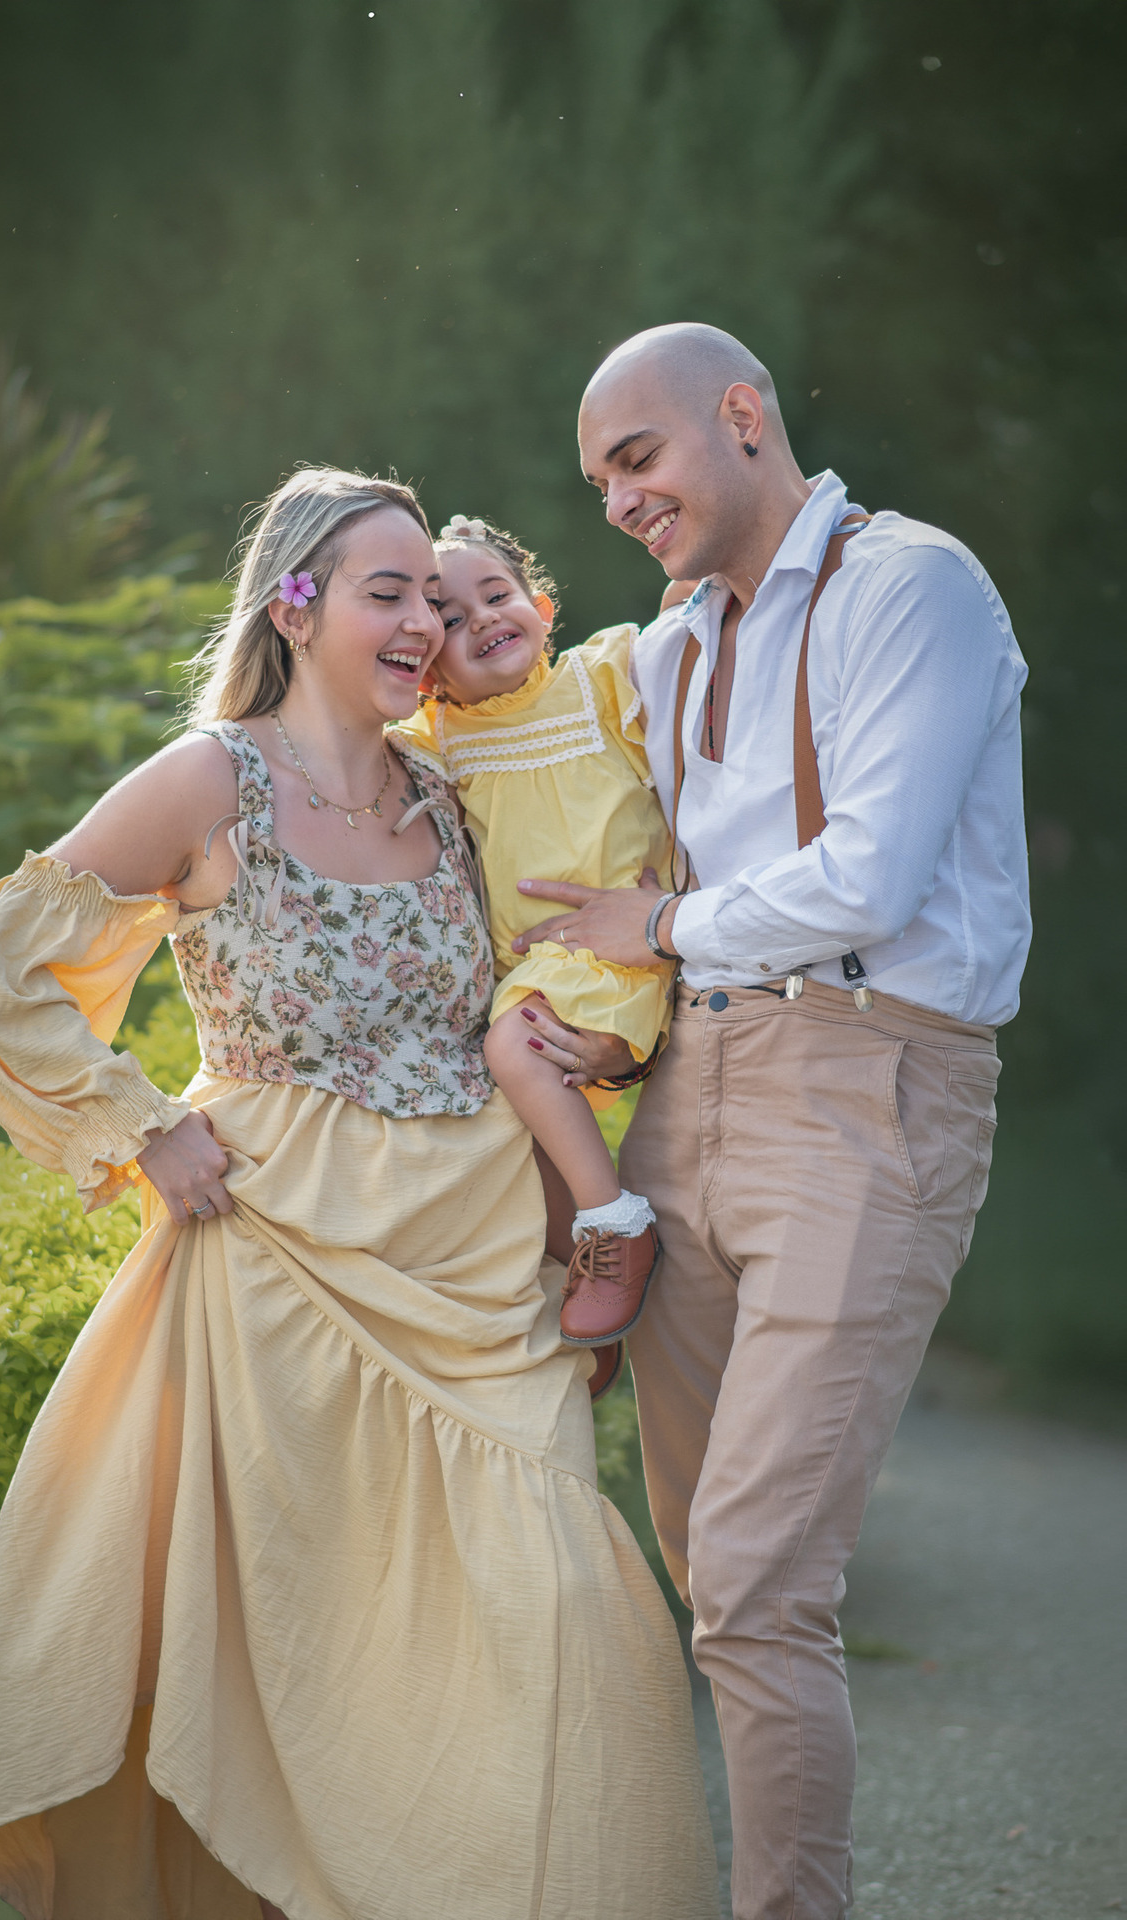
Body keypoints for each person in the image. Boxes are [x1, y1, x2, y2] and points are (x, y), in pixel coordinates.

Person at [0, 466, 717, 1920]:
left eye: (433, 593)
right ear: (293, 608)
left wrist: (574, 1228)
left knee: (555, 1610)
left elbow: (534, 1008)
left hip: (477, 1271)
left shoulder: (452, 787)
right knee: (305, 1664)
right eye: (387, 591)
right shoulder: (210, 779)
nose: (423, 620)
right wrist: (145, 1126)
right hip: (278, 1266)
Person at [513, 324, 1030, 1920]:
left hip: (869, 1085)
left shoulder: (913, 587)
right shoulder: (664, 648)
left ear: (742, 416)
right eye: (598, 481)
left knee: (754, 1573)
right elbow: (548, 782)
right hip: (686, 1090)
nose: (617, 500)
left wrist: (660, 929)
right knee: (702, 1563)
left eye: (638, 458)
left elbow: (870, 876)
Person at [396, 513, 674, 1375]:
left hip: (624, 947)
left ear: (542, 609)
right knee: (508, 1135)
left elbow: (691, 629)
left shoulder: (601, 680)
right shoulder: (436, 741)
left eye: (497, 595)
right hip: (535, 974)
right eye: (450, 618)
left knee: (510, 1052)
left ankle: (617, 1228)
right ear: (428, 667)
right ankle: (582, 1296)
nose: (481, 618)